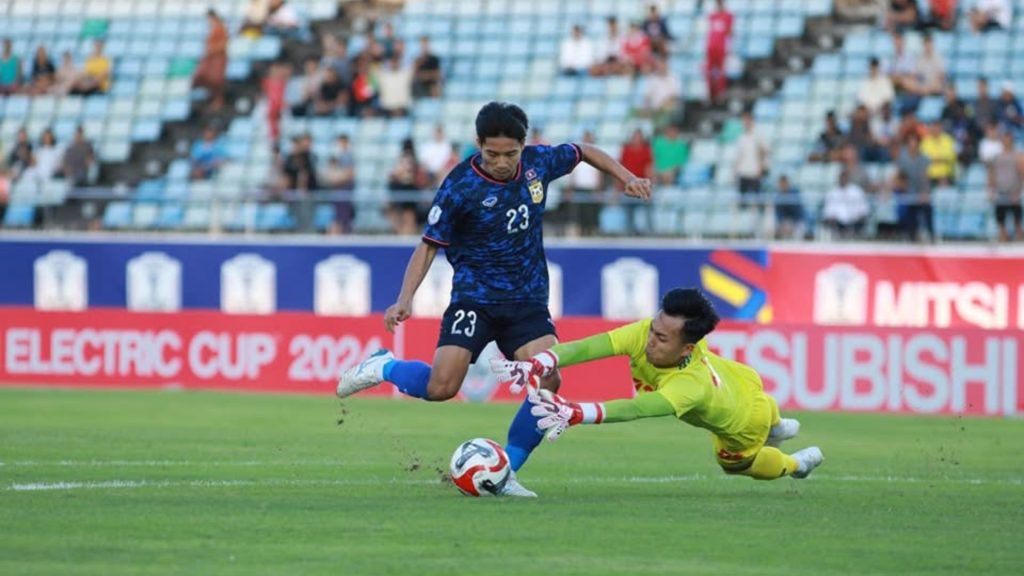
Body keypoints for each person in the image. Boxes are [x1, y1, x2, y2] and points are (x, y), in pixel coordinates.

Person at [337, 102, 652, 497]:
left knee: (548, 379)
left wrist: (626, 176)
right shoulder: (459, 186)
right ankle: (384, 367)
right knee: (441, 387)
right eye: (491, 154)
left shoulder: (540, 163)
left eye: (510, 154)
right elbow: (428, 246)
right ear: (477, 145)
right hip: (475, 299)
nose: (501, 162)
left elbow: (584, 150)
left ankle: (505, 473)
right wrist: (405, 299)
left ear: (524, 145)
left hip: (527, 301)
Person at [490, 288, 824, 484]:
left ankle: (796, 463)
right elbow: (589, 347)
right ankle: (778, 425)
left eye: (662, 338)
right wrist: (542, 361)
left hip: (742, 423)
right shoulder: (647, 334)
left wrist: (576, 412)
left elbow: (636, 408)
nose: (650, 341)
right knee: (762, 403)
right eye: (653, 329)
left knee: (734, 465)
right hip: (742, 378)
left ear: (687, 348)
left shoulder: (689, 387)